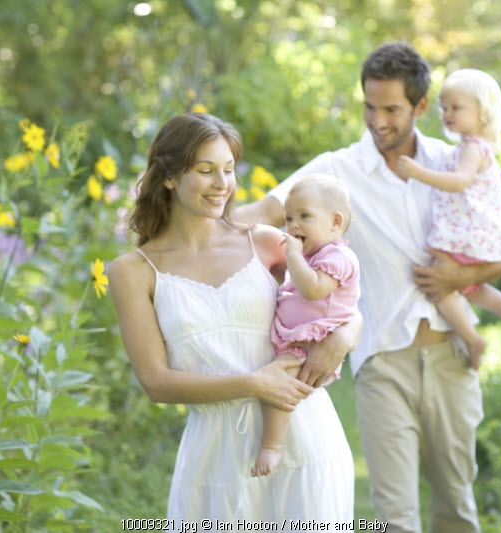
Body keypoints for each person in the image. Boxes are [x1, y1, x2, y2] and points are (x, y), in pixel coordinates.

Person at [235, 42, 501, 533]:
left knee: (456, 503)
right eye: (370, 106)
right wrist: (188, 231)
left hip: (450, 355)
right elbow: (262, 212)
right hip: (382, 361)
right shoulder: (337, 170)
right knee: (396, 516)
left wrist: (460, 277)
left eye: (391, 108)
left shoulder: (453, 164)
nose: (378, 120)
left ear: (421, 107)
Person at [107, 112, 357, 526]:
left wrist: (344, 337)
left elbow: (344, 298)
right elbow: (156, 382)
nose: (223, 183)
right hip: (213, 460)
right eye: (206, 171)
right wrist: (253, 383)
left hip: (304, 440)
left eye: (227, 169)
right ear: (168, 177)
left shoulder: (265, 242)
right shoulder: (132, 271)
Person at [397, 68, 501, 370]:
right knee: (469, 287)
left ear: (483, 113)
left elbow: (459, 181)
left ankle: (472, 338)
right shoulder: (472, 146)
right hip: (472, 230)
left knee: (438, 284)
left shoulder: (472, 147)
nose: (448, 114)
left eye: (457, 108)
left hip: (469, 232)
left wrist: (418, 173)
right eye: (444, 108)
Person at [252, 173, 360, 477]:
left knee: (276, 384)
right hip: (298, 338)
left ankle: (271, 445)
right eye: (288, 218)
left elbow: (313, 289)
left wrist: (293, 255)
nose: (294, 225)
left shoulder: (339, 256)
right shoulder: (312, 257)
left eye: (304, 216)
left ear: (335, 222)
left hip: (312, 342)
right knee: (278, 379)